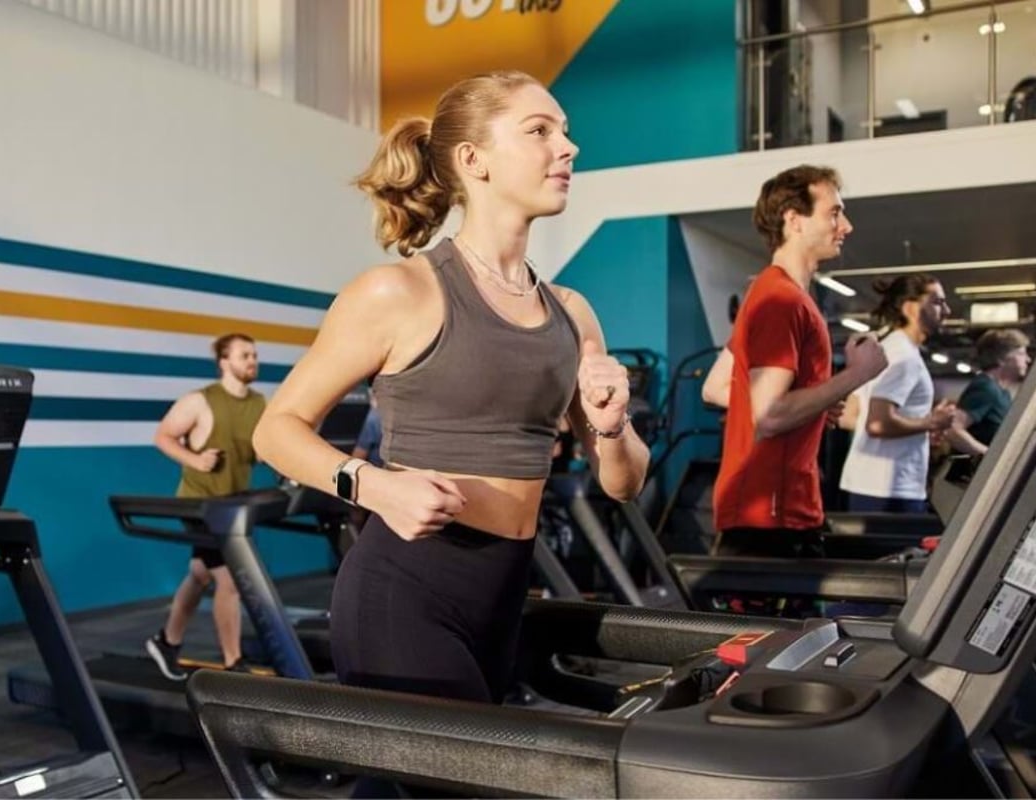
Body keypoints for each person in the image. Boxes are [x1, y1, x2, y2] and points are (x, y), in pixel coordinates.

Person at [251, 70, 649, 711]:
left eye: (565, 132)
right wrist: (376, 487)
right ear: (473, 159)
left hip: (503, 595)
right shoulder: (398, 292)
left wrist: (612, 424)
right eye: (540, 131)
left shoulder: (572, 313)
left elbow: (623, 484)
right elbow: (276, 429)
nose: (568, 147)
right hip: (404, 591)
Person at [701, 165, 887, 558]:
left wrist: (814, 403)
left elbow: (716, 388)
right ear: (794, 220)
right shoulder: (780, 300)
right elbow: (769, 415)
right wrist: (857, 374)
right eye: (834, 213)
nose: (846, 226)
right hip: (769, 518)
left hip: (773, 513)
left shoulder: (773, 293)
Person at [144, 333, 266, 679]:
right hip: (198, 505)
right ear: (224, 362)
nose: (252, 361)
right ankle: (233, 664)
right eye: (244, 355)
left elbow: (261, 450)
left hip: (233, 506)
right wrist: (196, 460)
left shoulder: (259, 404)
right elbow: (163, 436)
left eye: (254, 355)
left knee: (200, 575)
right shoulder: (200, 401)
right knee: (230, 580)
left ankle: (167, 642)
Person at [838, 276, 956, 513]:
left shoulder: (884, 350)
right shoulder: (904, 357)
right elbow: (877, 424)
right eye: (937, 302)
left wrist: (915, 428)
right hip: (892, 490)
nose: (947, 310)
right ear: (911, 308)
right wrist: (931, 422)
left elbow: (850, 417)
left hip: (867, 484)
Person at [946, 328, 1031, 457]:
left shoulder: (1003, 392)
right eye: (1021, 354)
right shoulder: (986, 387)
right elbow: (952, 430)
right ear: (1001, 358)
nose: (1028, 359)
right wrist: (989, 456)